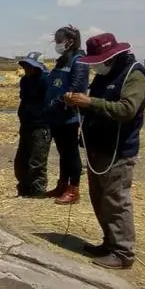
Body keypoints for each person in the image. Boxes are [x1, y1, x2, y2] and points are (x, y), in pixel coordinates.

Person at [64, 33, 145, 269]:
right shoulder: (106, 74)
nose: (96, 66)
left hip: (118, 150)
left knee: (116, 201)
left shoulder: (135, 75)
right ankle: (109, 242)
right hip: (97, 147)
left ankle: (123, 252)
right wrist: (78, 102)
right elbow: (98, 105)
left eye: (99, 60)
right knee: (99, 199)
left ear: (113, 56)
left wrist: (89, 103)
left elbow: (127, 109)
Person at [44, 25, 89, 204]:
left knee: (71, 153)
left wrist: (58, 102)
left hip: (68, 115)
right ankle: (62, 184)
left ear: (70, 41)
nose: (57, 44)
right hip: (55, 114)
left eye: (59, 41)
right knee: (63, 152)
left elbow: (75, 90)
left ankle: (73, 189)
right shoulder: (63, 60)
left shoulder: (79, 61)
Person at [14, 52, 51, 197]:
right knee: (21, 160)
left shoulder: (45, 80)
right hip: (26, 123)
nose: (27, 69)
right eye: (26, 65)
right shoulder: (24, 81)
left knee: (37, 161)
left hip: (41, 125)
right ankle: (23, 189)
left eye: (31, 66)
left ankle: (37, 192)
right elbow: (24, 98)